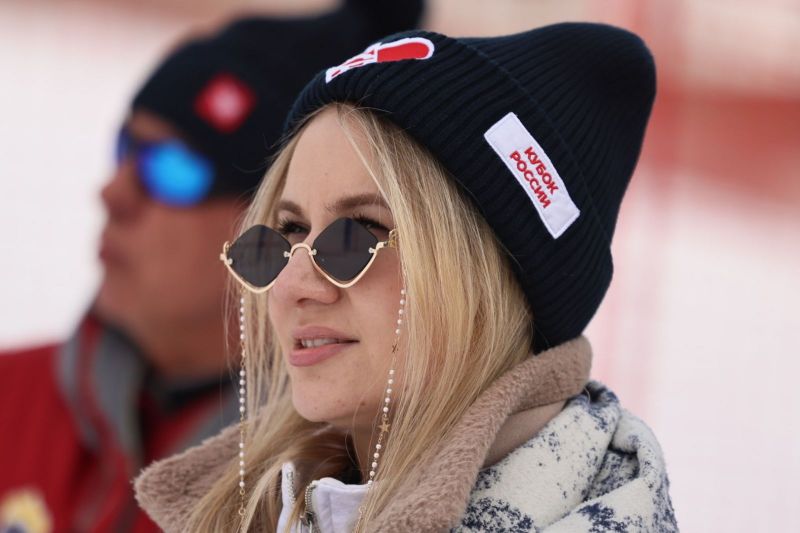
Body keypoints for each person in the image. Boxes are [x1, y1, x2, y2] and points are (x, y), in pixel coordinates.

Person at [135, 23, 678, 532]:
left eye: (357, 234)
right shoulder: (260, 505)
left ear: (489, 277)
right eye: (289, 230)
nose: (292, 284)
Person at [0, 2, 423, 532]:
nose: (114, 193)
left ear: (279, 226)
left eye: (171, 169)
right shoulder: (10, 397)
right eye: (125, 148)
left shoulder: (341, 493)